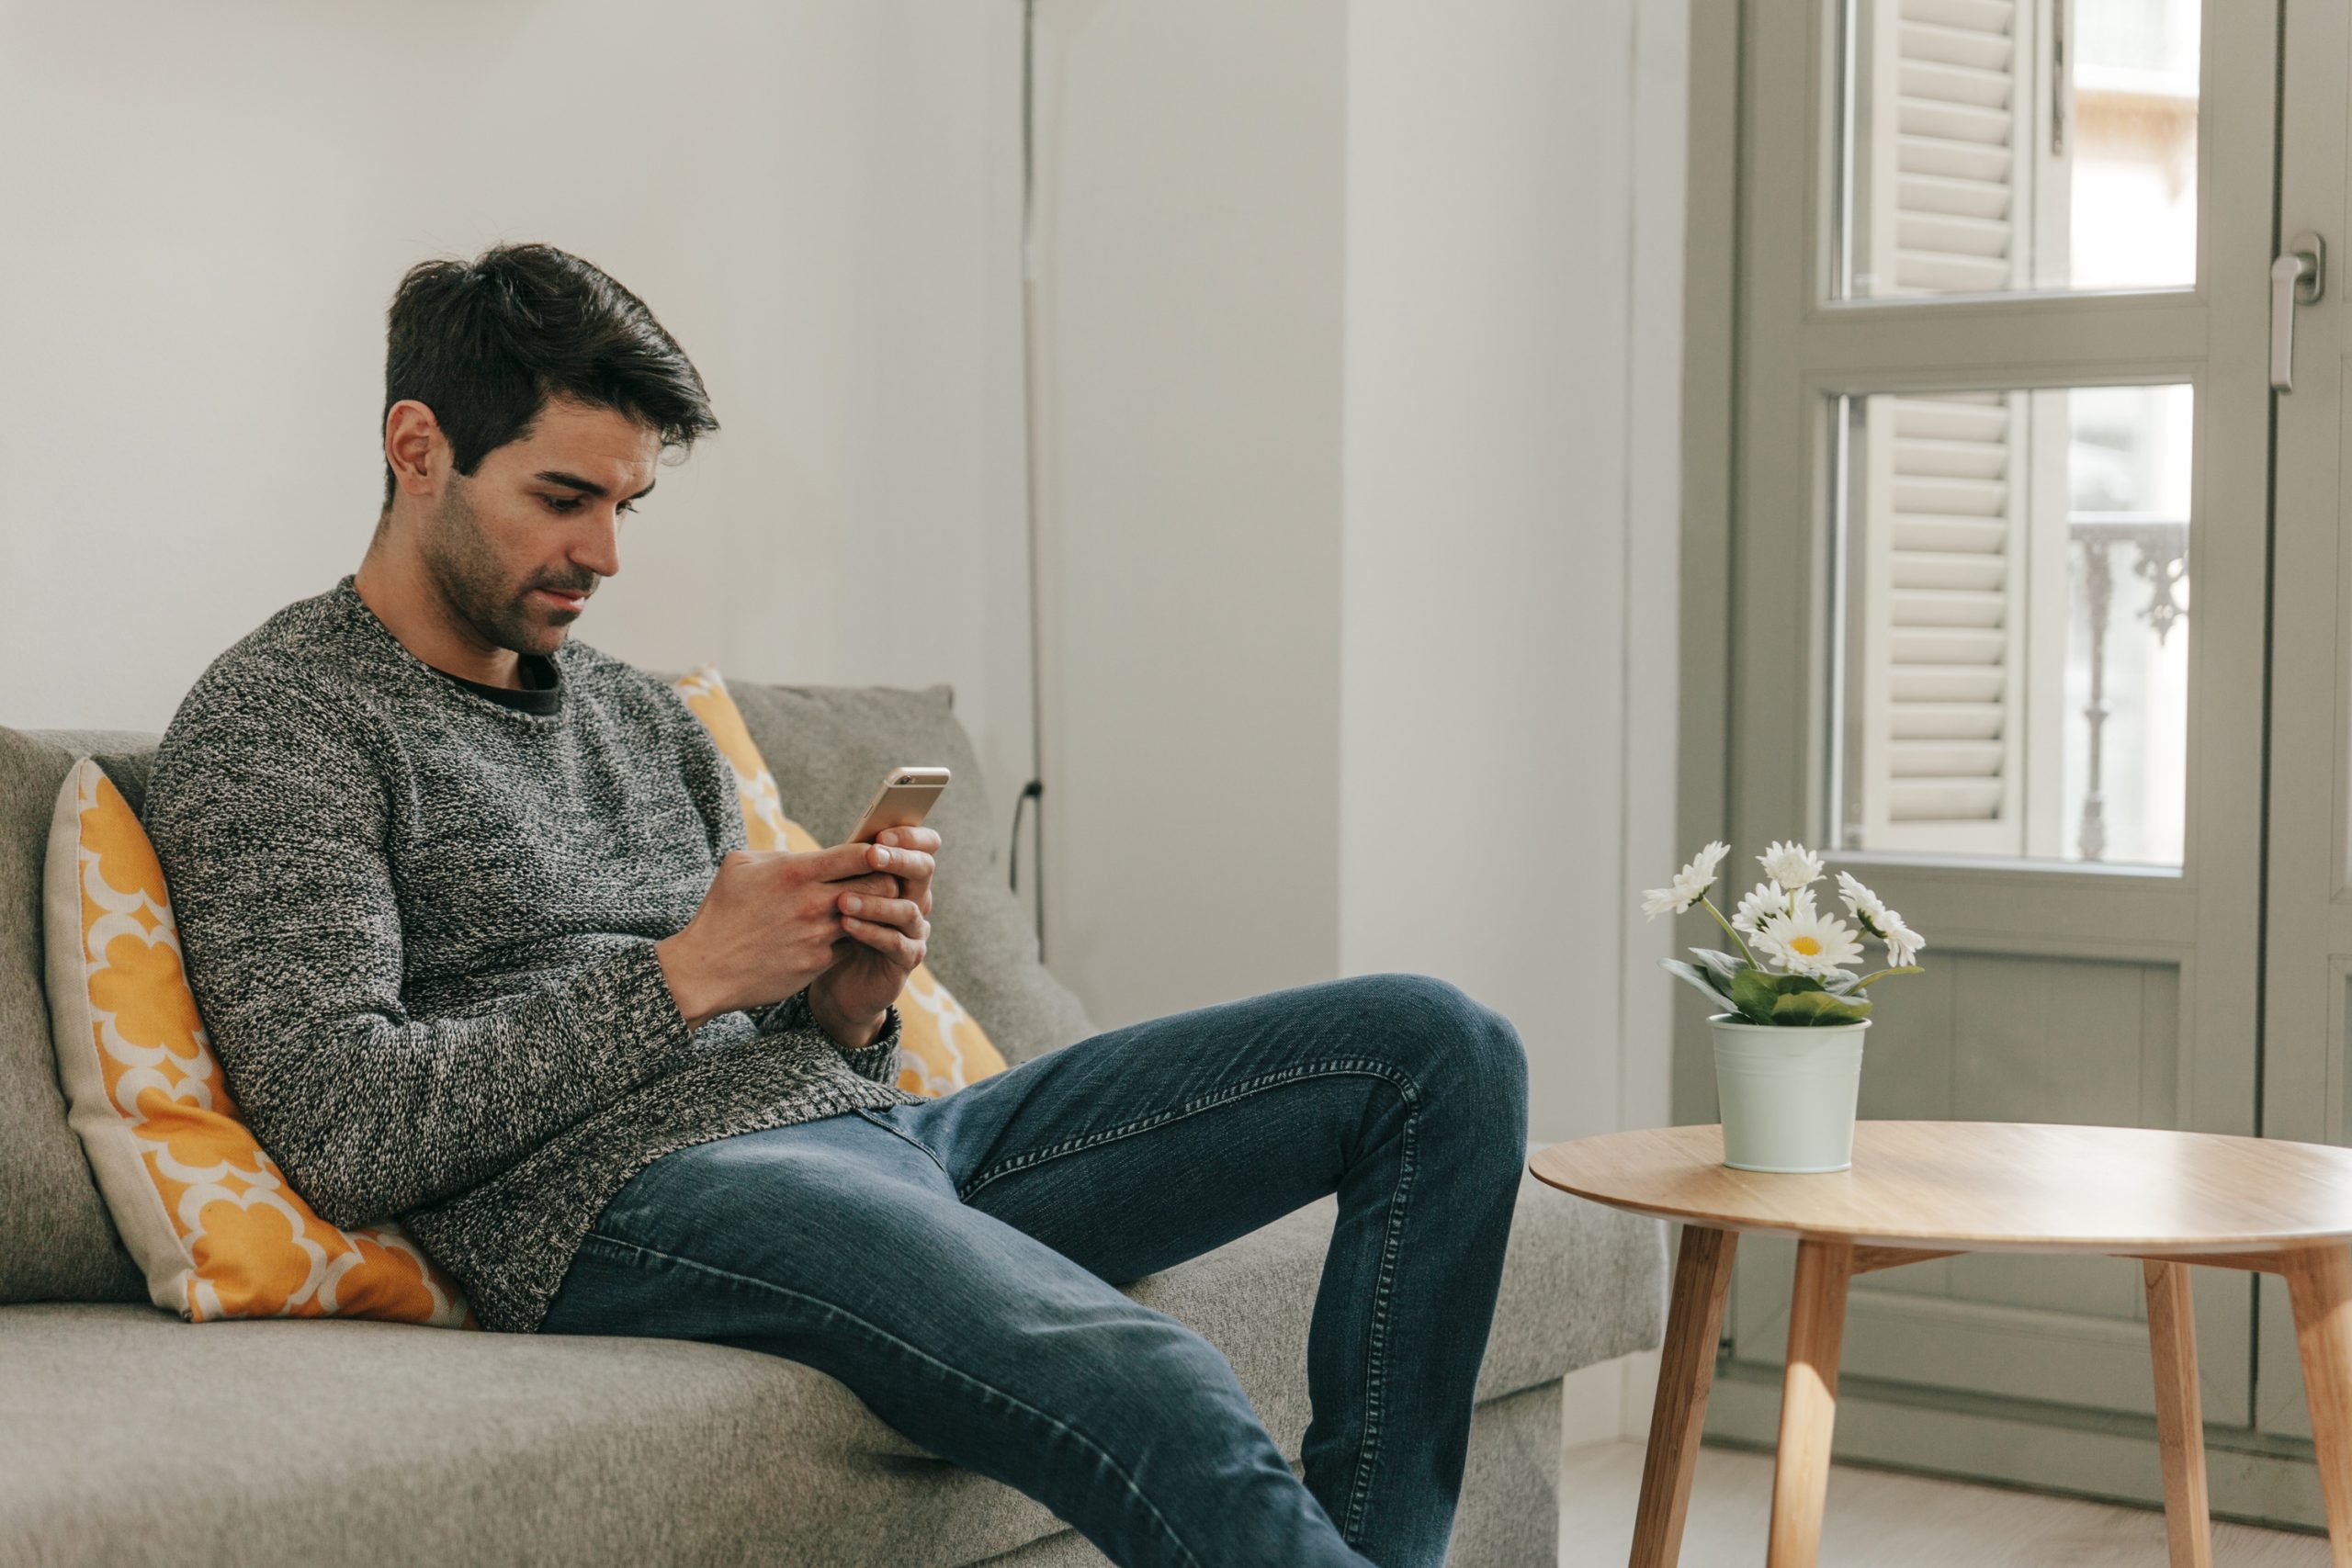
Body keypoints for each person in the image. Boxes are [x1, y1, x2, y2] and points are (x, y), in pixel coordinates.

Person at [142, 242, 1531, 1568]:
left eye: (626, 507)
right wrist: (685, 976)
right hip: (610, 1201)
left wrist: (845, 1005)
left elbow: (773, 1043)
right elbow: (347, 1133)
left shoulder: (639, 716)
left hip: (877, 1134)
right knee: (1146, 1368)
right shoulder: (282, 721)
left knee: (1436, 1051)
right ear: (418, 449)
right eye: (564, 499)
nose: (605, 555)